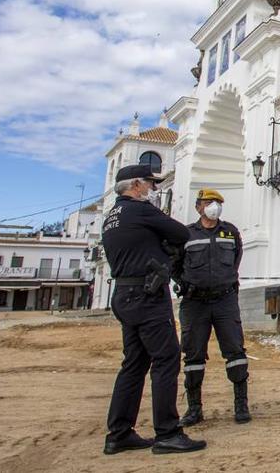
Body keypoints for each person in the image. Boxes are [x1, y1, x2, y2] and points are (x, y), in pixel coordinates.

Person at [100, 164, 206, 455]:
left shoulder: (111, 217)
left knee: (133, 363)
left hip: (124, 293)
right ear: (136, 185)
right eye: (150, 184)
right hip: (147, 296)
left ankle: (119, 433)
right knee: (166, 359)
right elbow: (180, 233)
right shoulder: (141, 211)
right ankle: (167, 432)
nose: (153, 190)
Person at [176, 189, 251, 426]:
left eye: (218, 202)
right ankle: (194, 408)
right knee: (194, 354)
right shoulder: (186, 234)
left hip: (225, 300)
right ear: (198, 207)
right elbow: (174, 264)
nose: (214, 206)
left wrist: (225, 279)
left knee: (235, 351)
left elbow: (237, 258)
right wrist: (186, 284)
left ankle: (241, 404)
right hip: (194, 302)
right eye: (209, 202)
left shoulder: (230, 232)